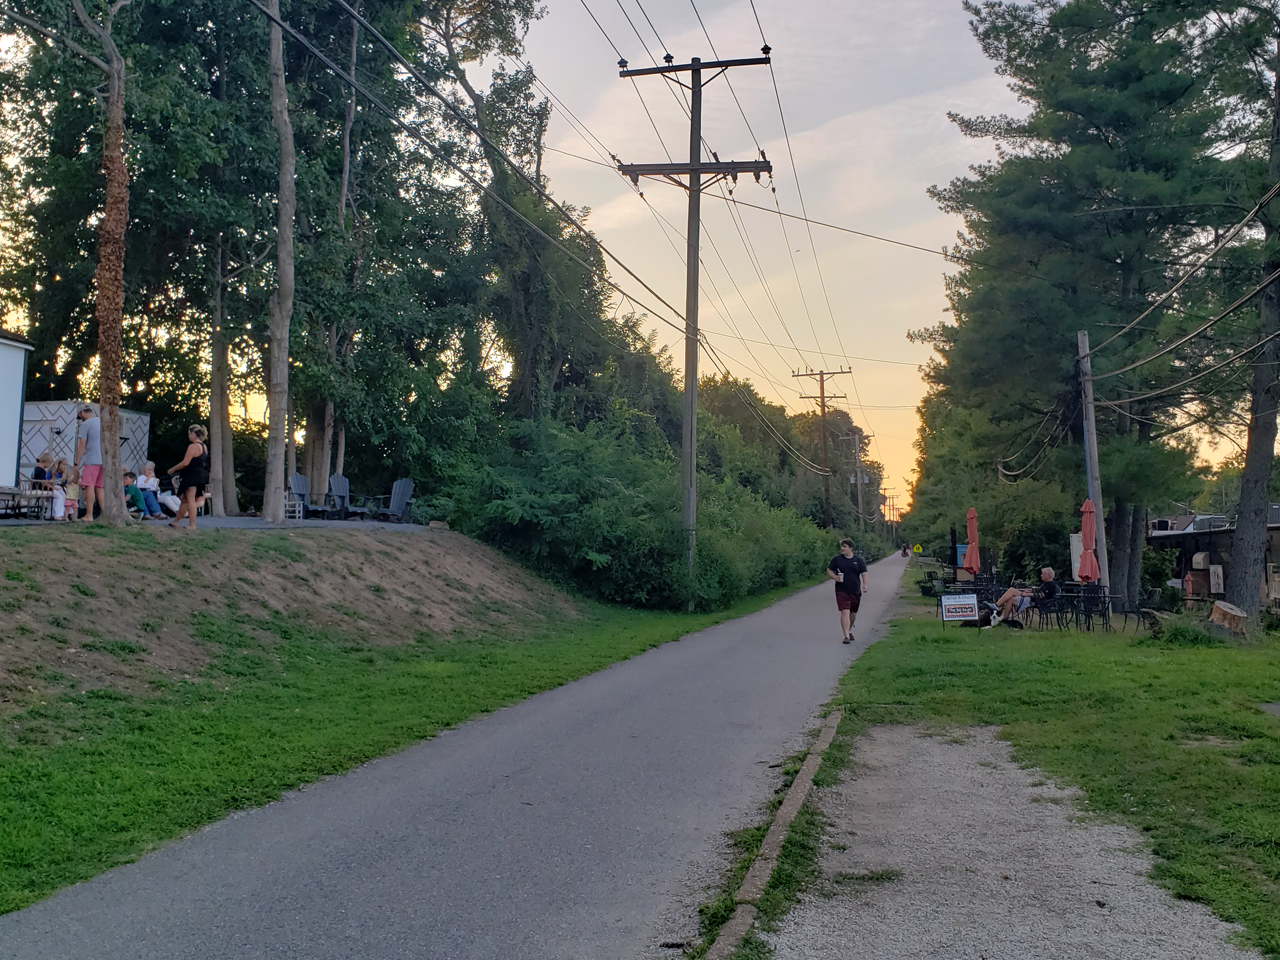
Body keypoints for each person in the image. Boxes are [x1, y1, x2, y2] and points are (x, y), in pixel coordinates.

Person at [166, 425, 210, 530]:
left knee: (190, 499)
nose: (188, 436)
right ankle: (176, 521)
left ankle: (192, 524)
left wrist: (173, 469)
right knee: (185, 500)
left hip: (191, 475)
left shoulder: (193, 446)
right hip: (200, 475)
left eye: (189, 434)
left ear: (193, 434)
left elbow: (186, 462)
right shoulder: (204, 447)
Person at [827, 538, 869, 645]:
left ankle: (849, 631)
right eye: (841, 546)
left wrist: (865, 585)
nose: (842, 548)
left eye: (845, 546)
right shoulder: (837, 560)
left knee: (853, 613)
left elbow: (864, 572)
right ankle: (846, 636)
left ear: (851, 548)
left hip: (855, 590)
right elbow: (829, 570)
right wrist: (835, 577)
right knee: (844, 611)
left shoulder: (858, 560)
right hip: (841, 590)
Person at [73, 405, 103, 521]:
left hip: (92, 459)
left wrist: (77, 463)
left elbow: (81, 445)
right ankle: (104, 513)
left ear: (81, 414)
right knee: (100, 488)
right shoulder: (102, 422)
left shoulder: (85, 425)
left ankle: (89, 515)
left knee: (89, 486)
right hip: (103, 461)